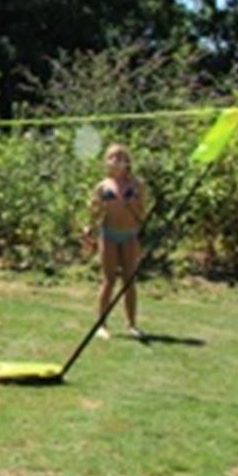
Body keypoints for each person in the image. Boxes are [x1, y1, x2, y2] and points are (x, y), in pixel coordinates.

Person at [87, 143, 147, 340]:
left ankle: (132, 325)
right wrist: (96, 209)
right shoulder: (102, 186)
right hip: (109, 235)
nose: (117, 160)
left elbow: (141, 216)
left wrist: (131, 204)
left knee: (129, 281)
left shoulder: (137, 185)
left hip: (129, 235)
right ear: (106, 161)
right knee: (109, 280)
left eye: (121, 156)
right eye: (113, 156)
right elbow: (94, 215)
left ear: (128, 162)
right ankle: (101, 325)